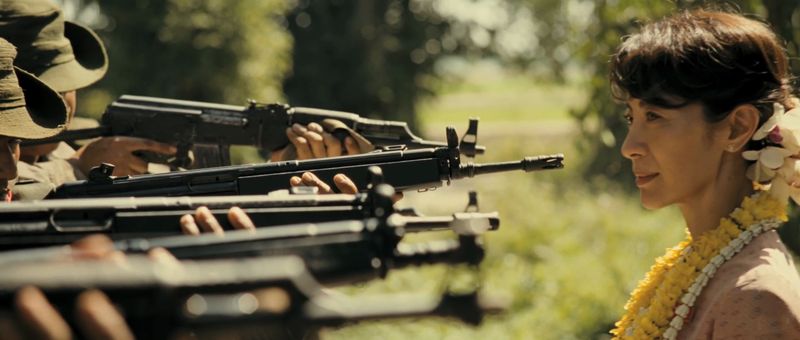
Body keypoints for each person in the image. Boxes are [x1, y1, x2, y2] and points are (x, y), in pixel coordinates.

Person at [609, 9, 800, 339]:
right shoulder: (699, 265)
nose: (630, 146)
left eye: (654, 116)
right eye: (632, 118)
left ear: (737, 128)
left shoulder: (755, 298)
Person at [0, 0, 177, 199]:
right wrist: (74, 168)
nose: (63, 103)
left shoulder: (80, 140)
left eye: (67, 85)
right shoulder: (75, 157)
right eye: (44, 91)